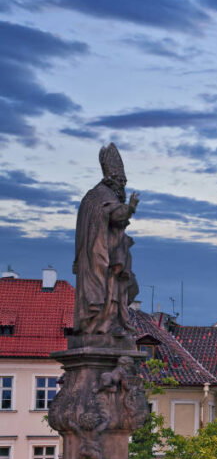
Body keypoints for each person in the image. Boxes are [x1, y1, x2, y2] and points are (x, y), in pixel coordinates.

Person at [73, 144, 139, 336]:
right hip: (102, 256)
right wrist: (131, 207)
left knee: (123, 288)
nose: (123, 185)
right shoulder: (103, 195)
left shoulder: (92, 196)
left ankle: (106, 323)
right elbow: (116, 215)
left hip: (100, 254)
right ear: (112, 178)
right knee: (110, 289)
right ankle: (106, 325)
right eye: (121, 181)